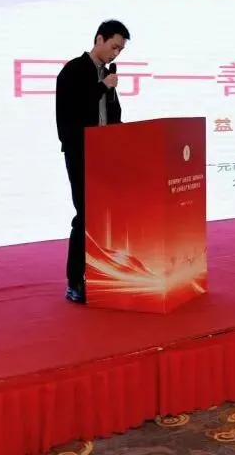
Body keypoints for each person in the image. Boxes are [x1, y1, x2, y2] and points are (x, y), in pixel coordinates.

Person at [55, 20, 130, 303]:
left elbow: (112, 115)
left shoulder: (106, 76)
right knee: (85, 215)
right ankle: (74, 281)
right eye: (114, 46)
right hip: (80, 152)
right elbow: (72, 112)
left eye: (120, 50)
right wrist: (102, 87)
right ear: (99, 39)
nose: (115, 54)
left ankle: (104, 273)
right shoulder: (73, 70)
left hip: (107, 154)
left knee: (108, 216)